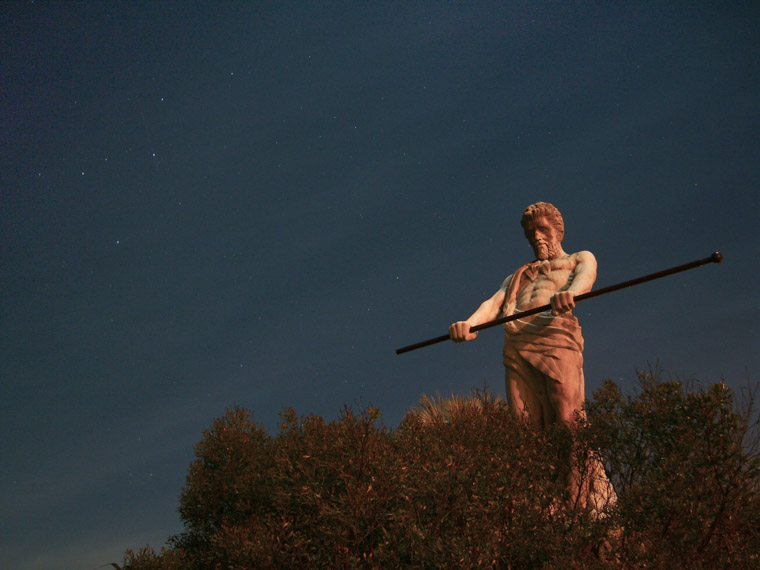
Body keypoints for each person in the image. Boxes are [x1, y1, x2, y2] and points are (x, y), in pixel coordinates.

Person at [449, 201, 614, 510]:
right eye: (530, 233)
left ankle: (578, 503)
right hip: (518, 344)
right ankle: (537, 503)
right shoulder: (517, 276)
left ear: (558, 230)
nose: (536, 237)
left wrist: (571, 294)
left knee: (568, 419)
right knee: (523, 428)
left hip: (555, 337)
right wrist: (469, 324)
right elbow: (493, 304)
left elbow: (585, 279)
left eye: (542, 229)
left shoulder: (579, 258)